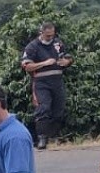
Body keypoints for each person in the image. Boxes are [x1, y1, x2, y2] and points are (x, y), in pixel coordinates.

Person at [20, 21, 73, 150]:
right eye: (47, 35)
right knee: (43, 108)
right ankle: (41, 139)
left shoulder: (57, 43)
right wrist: (44, 63)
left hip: (57, 81)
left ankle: (52, 136)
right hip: (41, 82)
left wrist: (66, 62)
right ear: (41, 33)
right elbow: (27, 66)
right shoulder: (32, 47)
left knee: (58, 109)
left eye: (52, 35)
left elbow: (68, 57)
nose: (50, 38)